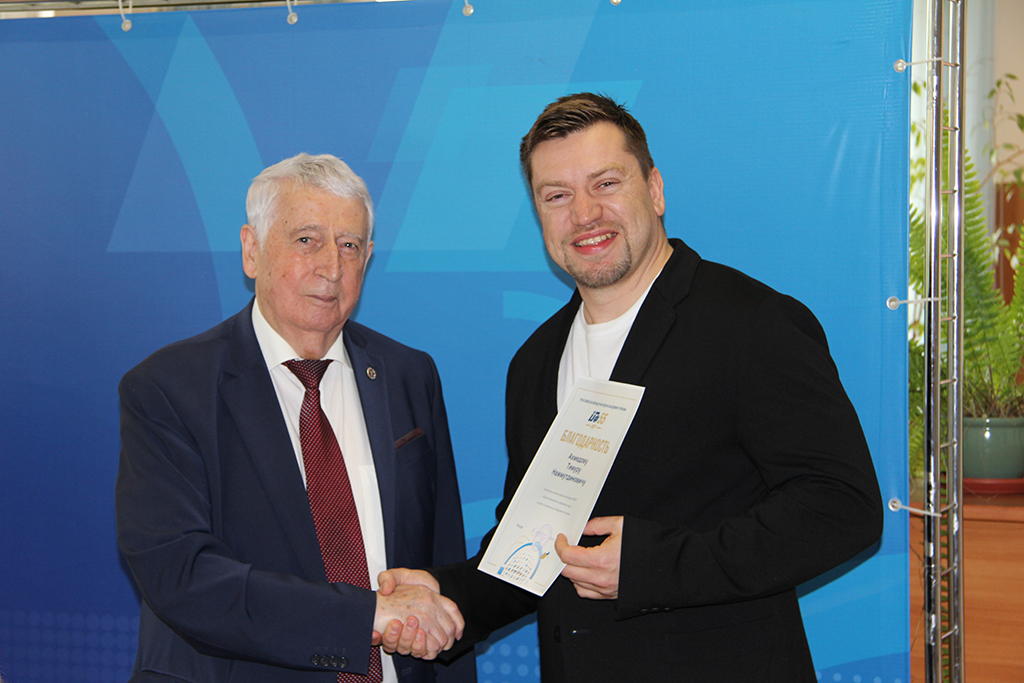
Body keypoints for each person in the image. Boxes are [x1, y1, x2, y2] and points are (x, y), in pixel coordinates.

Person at [377, 93, 884, 681]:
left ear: (655, 190)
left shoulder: (751, 324)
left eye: (606, 184)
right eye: (557, 196)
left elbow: (842, 507)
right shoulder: (535, 363)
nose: (584, 213)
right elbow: (542, 544)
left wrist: (653, 567)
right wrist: (447, 595)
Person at [116, 153, 475, 683]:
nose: (331, 267)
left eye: (349, 245)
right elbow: (180, 573)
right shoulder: (169, 388)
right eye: (307, 240)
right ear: (252, 250)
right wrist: (365, 616)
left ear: (368, 257)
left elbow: (441, 565)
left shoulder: (408, 374)